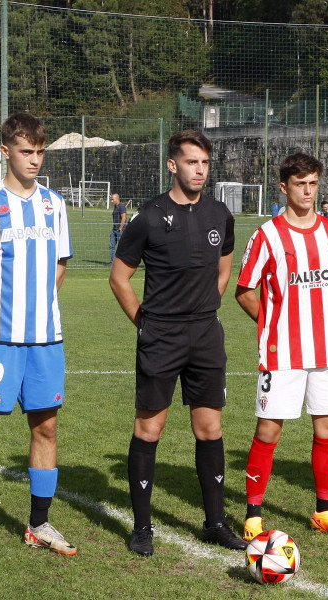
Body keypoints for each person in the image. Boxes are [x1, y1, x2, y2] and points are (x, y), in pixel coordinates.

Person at [109, 129, 245, 557]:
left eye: (204, 163)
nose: (199, 170)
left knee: (210, 429)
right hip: (161, 335)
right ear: (173, 165)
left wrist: (206, 305)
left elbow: (225, 268)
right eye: (191, 162)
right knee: (150, 428)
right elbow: (119, 278)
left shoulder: (220, 214)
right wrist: (144, 324)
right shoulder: (148, 217)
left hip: (206, 334)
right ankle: (143, 527)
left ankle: (215, 523)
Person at [0, 113, 76, 558]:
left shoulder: (55, 205)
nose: (35, 160)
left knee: (46, 427)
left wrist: (36, 310)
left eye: (41, 152)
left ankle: (39, 524)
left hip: (46, 339)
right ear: (5, 151)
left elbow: (59, 266)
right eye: (27, 151)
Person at [235, 152, 328, 541]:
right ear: (284, 187)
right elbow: (244, 291)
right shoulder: (267, 235)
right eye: (300, 184)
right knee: (270, 430)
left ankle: (324, 511)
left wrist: (316, 313)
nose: (307, 191)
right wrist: (276, 324)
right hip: (281, 353)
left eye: (313, 183)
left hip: (325, 352)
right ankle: (254, 513)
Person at [109, 192, 127, 264]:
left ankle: (123, 262)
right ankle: (112, 262)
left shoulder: (121, 206)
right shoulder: (115, 207)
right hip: (114, 229)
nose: (111, 201)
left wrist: (120, 228)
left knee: (121, 247)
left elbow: (124, 217)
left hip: (120, 230)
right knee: (111, 246)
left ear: (117, 199)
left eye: (112, 199)